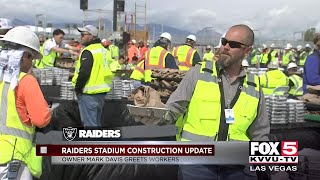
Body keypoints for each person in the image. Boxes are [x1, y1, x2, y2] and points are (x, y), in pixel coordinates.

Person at [137, 24, 270, 179]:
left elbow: (260, 133)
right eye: (224, 41)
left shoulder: (254, 86)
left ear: (247, 51)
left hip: (236, 168)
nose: (225, 47)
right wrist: (151, 111)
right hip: (196, 165)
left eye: (233, 44)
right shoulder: (199, 73)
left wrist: (268, 169)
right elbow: (172, 110)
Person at [0, 26, 51, 179]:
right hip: (15, 157)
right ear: (24, 56)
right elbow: (41, 119)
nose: (32, 63)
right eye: (32, 58)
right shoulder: (26, 81)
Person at [72, 25, 113, 127]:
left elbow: (84, 72)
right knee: (96, 124)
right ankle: (98, 142)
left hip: (89, 92)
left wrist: (78, 88)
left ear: (91, 36)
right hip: (101, 92)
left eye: (83, 34)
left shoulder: (88, 51)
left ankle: (92, 143)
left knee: (90, 125)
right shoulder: (103, 50)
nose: (81, 37)